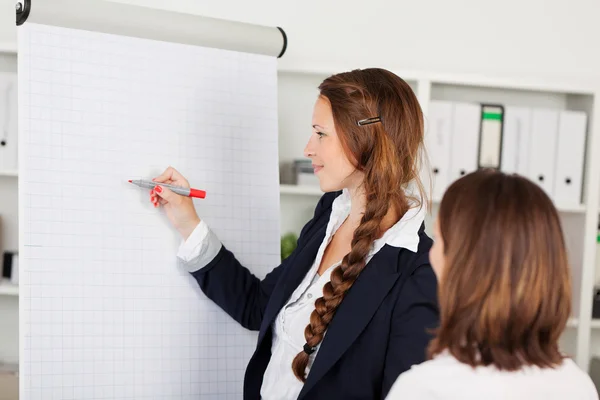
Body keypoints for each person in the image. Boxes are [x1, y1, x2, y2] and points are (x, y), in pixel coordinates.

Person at [150, 68, 439, 400]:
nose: (308, 148)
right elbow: (257, 306)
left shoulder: (418, 274)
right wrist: (187, 221)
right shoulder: (330, 215)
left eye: (320, 133)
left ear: (367, 140)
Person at [386, 169, 599, 400]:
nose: (431, 255)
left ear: (463, 267)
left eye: (440, 241)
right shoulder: (578, 386)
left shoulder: (424, 388)